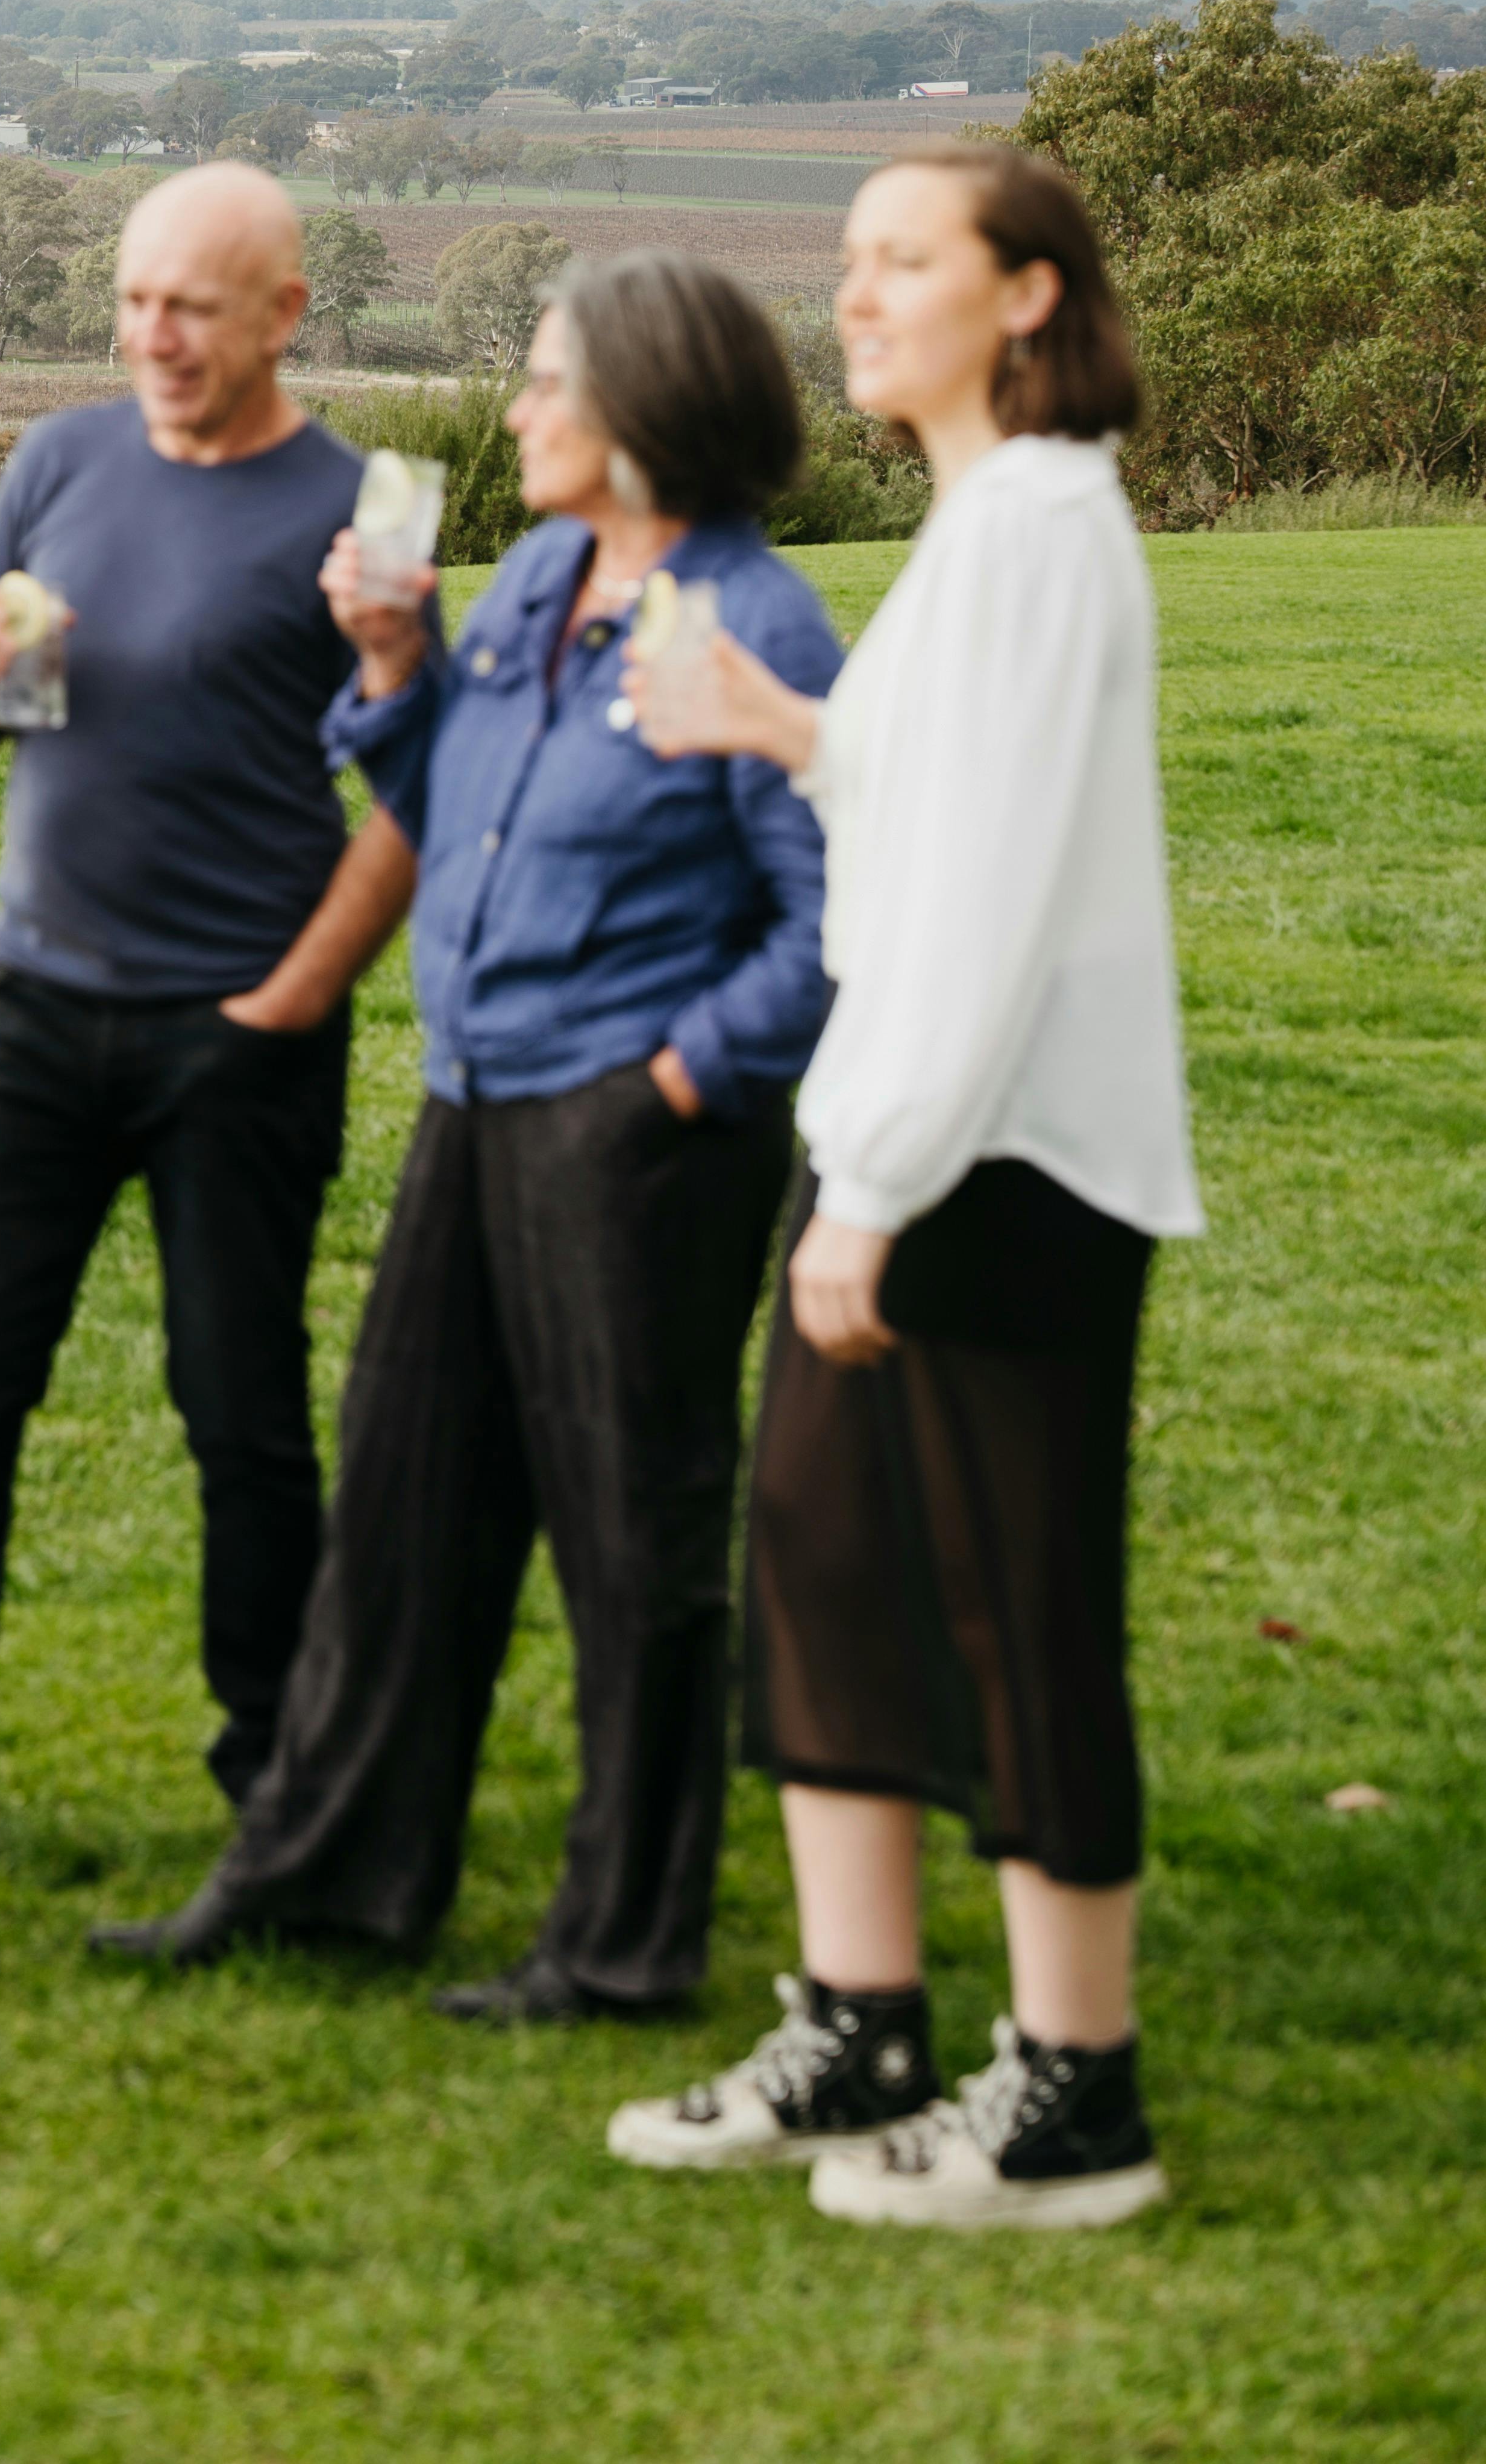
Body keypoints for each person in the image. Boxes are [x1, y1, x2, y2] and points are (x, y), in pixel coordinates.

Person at [91, 255, 842, 2018]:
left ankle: (623, 1942)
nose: (515, 409)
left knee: (631, 1533)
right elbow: (454, 816)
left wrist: (679, 1081)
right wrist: (390, 666)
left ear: (646, 406)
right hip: (476, 1096)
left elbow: (832, 915)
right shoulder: (533, 580)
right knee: (407, 1503)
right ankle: (327, 1878)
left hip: (635, 1131)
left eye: (546, 382)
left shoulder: (757, 625)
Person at [607, 147, 1200, 2229]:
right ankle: (859, 2032)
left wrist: (870, 1187)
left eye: (904, 261)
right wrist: (794, 729)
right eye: (847, 262)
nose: (855, 296)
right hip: (911, 1136)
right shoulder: (979, 525)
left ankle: (1073, 2101)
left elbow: (989, 903)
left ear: (1029, 294)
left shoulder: (1040, 524)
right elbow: (925, 803)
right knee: (829, 1558)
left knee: (1015, 1598)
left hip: (996, 1161)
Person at [0, 164, 419, 1885]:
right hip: (34, 1008)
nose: (153, 335)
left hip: (237, 1037)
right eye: (134, 300)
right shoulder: (59, 461)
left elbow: (423, 792)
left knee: (243, 1417)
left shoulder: (364, 511)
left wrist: (298, 995)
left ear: (286, 313)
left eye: (192, 306)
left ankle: (283, 1780)